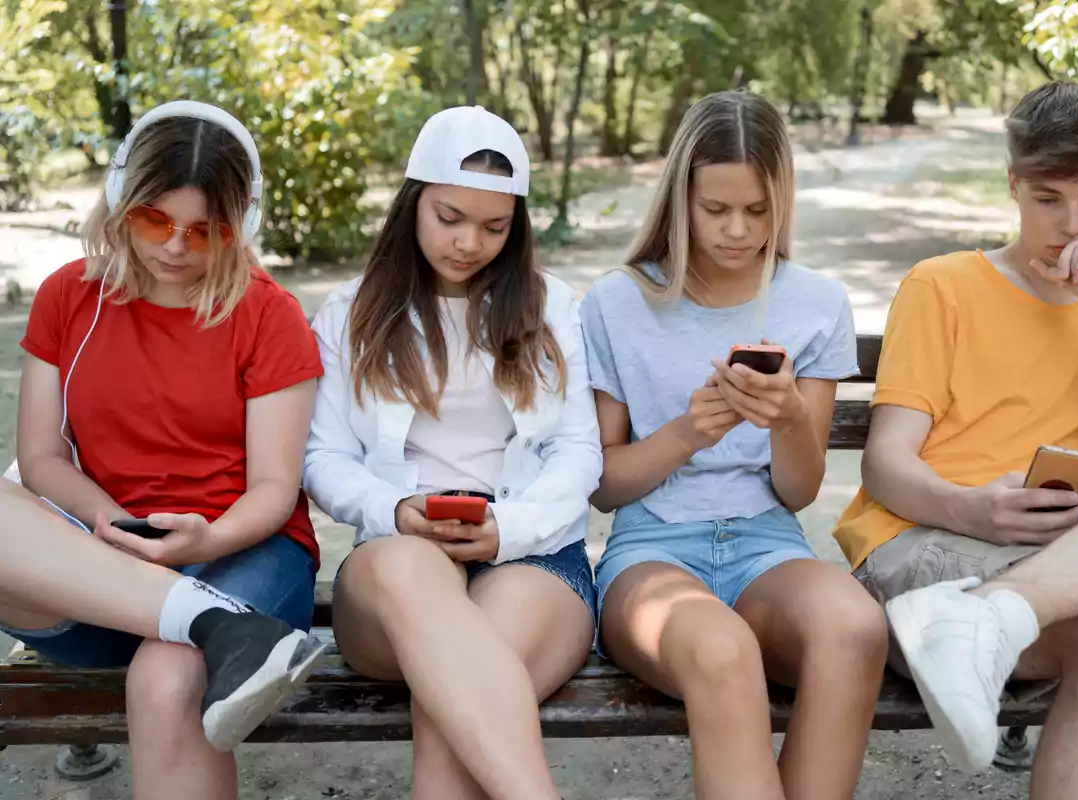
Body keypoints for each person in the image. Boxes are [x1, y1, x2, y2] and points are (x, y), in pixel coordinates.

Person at [832, 82, 1078, 798]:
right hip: (917, 547)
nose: (1074, 222)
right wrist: (972, 510)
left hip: (1057, 565)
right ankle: (974, 615)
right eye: (1048, 198)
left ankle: (992, 617)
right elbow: (887, 464)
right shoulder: (944, 287)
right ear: (1013, 185)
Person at [4, 101, 327, 797]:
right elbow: (40, 458)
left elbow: (274, 489)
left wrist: (203, 537)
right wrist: (109, 522)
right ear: (122, 200)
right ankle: (210, 626)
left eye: (206, 232)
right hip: (101, 562)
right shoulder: (69, 297)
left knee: (168, 674)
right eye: (155, 220)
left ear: (241, 228)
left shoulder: (269, 314)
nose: (176, 247)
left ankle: (218, 625)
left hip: (242, 553)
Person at [580, 89, 887, 800]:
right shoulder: (617, 302)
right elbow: (605, 484)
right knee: (721, 648)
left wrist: (785, 421)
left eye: (758, 210)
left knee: (856, 628)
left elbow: (800, 492)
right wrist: (693, 430)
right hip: (651, 552)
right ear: (678, 198)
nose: (737, 231)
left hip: (767, 545)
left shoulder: (815, 301)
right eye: (715, 210)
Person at [303, 105, 601, 800]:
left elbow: (579, 450)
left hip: (533, 556)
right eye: (450, 218)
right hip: (394, 565)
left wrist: (514, 528)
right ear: (413, 204)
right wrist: (398, 510)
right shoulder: (350, 313)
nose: (470, 242)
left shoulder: (552, 305)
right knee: (420, 590)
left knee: (457, 693)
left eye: (495, 227)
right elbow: (323, 459)